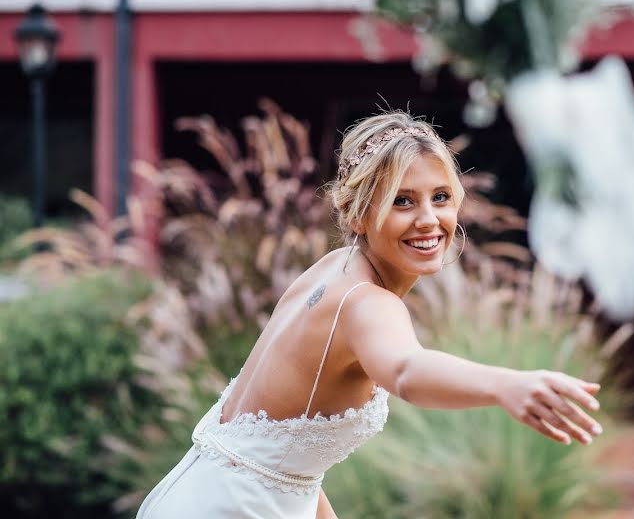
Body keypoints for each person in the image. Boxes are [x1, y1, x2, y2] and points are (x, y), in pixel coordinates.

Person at [136, 111, 603, 519]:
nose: (428, 219)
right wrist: (505, 385)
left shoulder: (331, 270)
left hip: (205, 497)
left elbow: (284, 452)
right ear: (360, 214)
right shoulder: (367, 302)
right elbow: (405, 368)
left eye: (440, 197)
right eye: (402, 200)